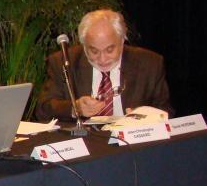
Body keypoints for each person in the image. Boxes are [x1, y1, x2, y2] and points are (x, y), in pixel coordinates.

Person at [36, 9, 173, 122]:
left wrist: (145, 117)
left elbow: (166, 111)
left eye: (110, 50)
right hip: (85, 144)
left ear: (122, 40)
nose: (102, 59)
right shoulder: (64, 61)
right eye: (94, 51)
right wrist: (74, 107)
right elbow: (43, 109)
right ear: (83, 45)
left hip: (132, 145)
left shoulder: (149, 63)